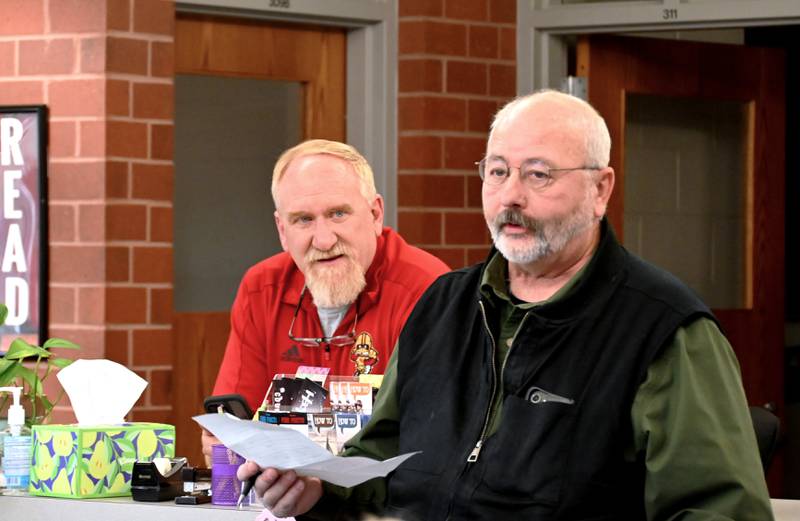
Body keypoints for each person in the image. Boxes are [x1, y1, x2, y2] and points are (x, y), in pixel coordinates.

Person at [238, 92, 774, 520]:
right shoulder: (443, 307)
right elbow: (377, 462)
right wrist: (317, 487)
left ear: (600, 189)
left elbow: (720, 511)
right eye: (497, 172)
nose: (510, 195)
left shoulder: (662, 330)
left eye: (538, 174)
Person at [203, 139, 449, 461]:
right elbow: (224, 437)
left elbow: (435, 441)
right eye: (303, 219)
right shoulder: (261, 289)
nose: (323, 239)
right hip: (281, 499)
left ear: (375, 213)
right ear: (281, 229)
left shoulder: (428, 289)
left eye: (338, 214)